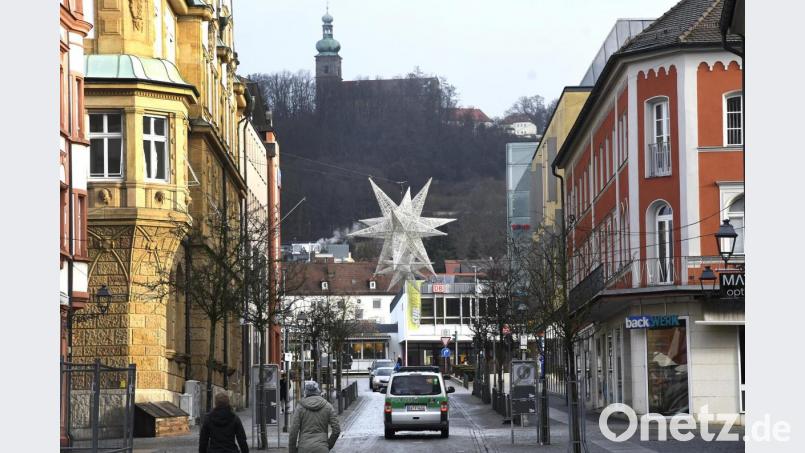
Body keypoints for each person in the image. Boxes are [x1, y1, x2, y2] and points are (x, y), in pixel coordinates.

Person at [289, 381, 340, 453]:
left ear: (305, 392)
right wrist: (328, 445)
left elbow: (293, 431)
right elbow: (336, 430)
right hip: (322, 448)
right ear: (318, 391)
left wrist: (292, 450)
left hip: (304, 448)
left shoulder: (300, 407)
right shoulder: (327, 406)